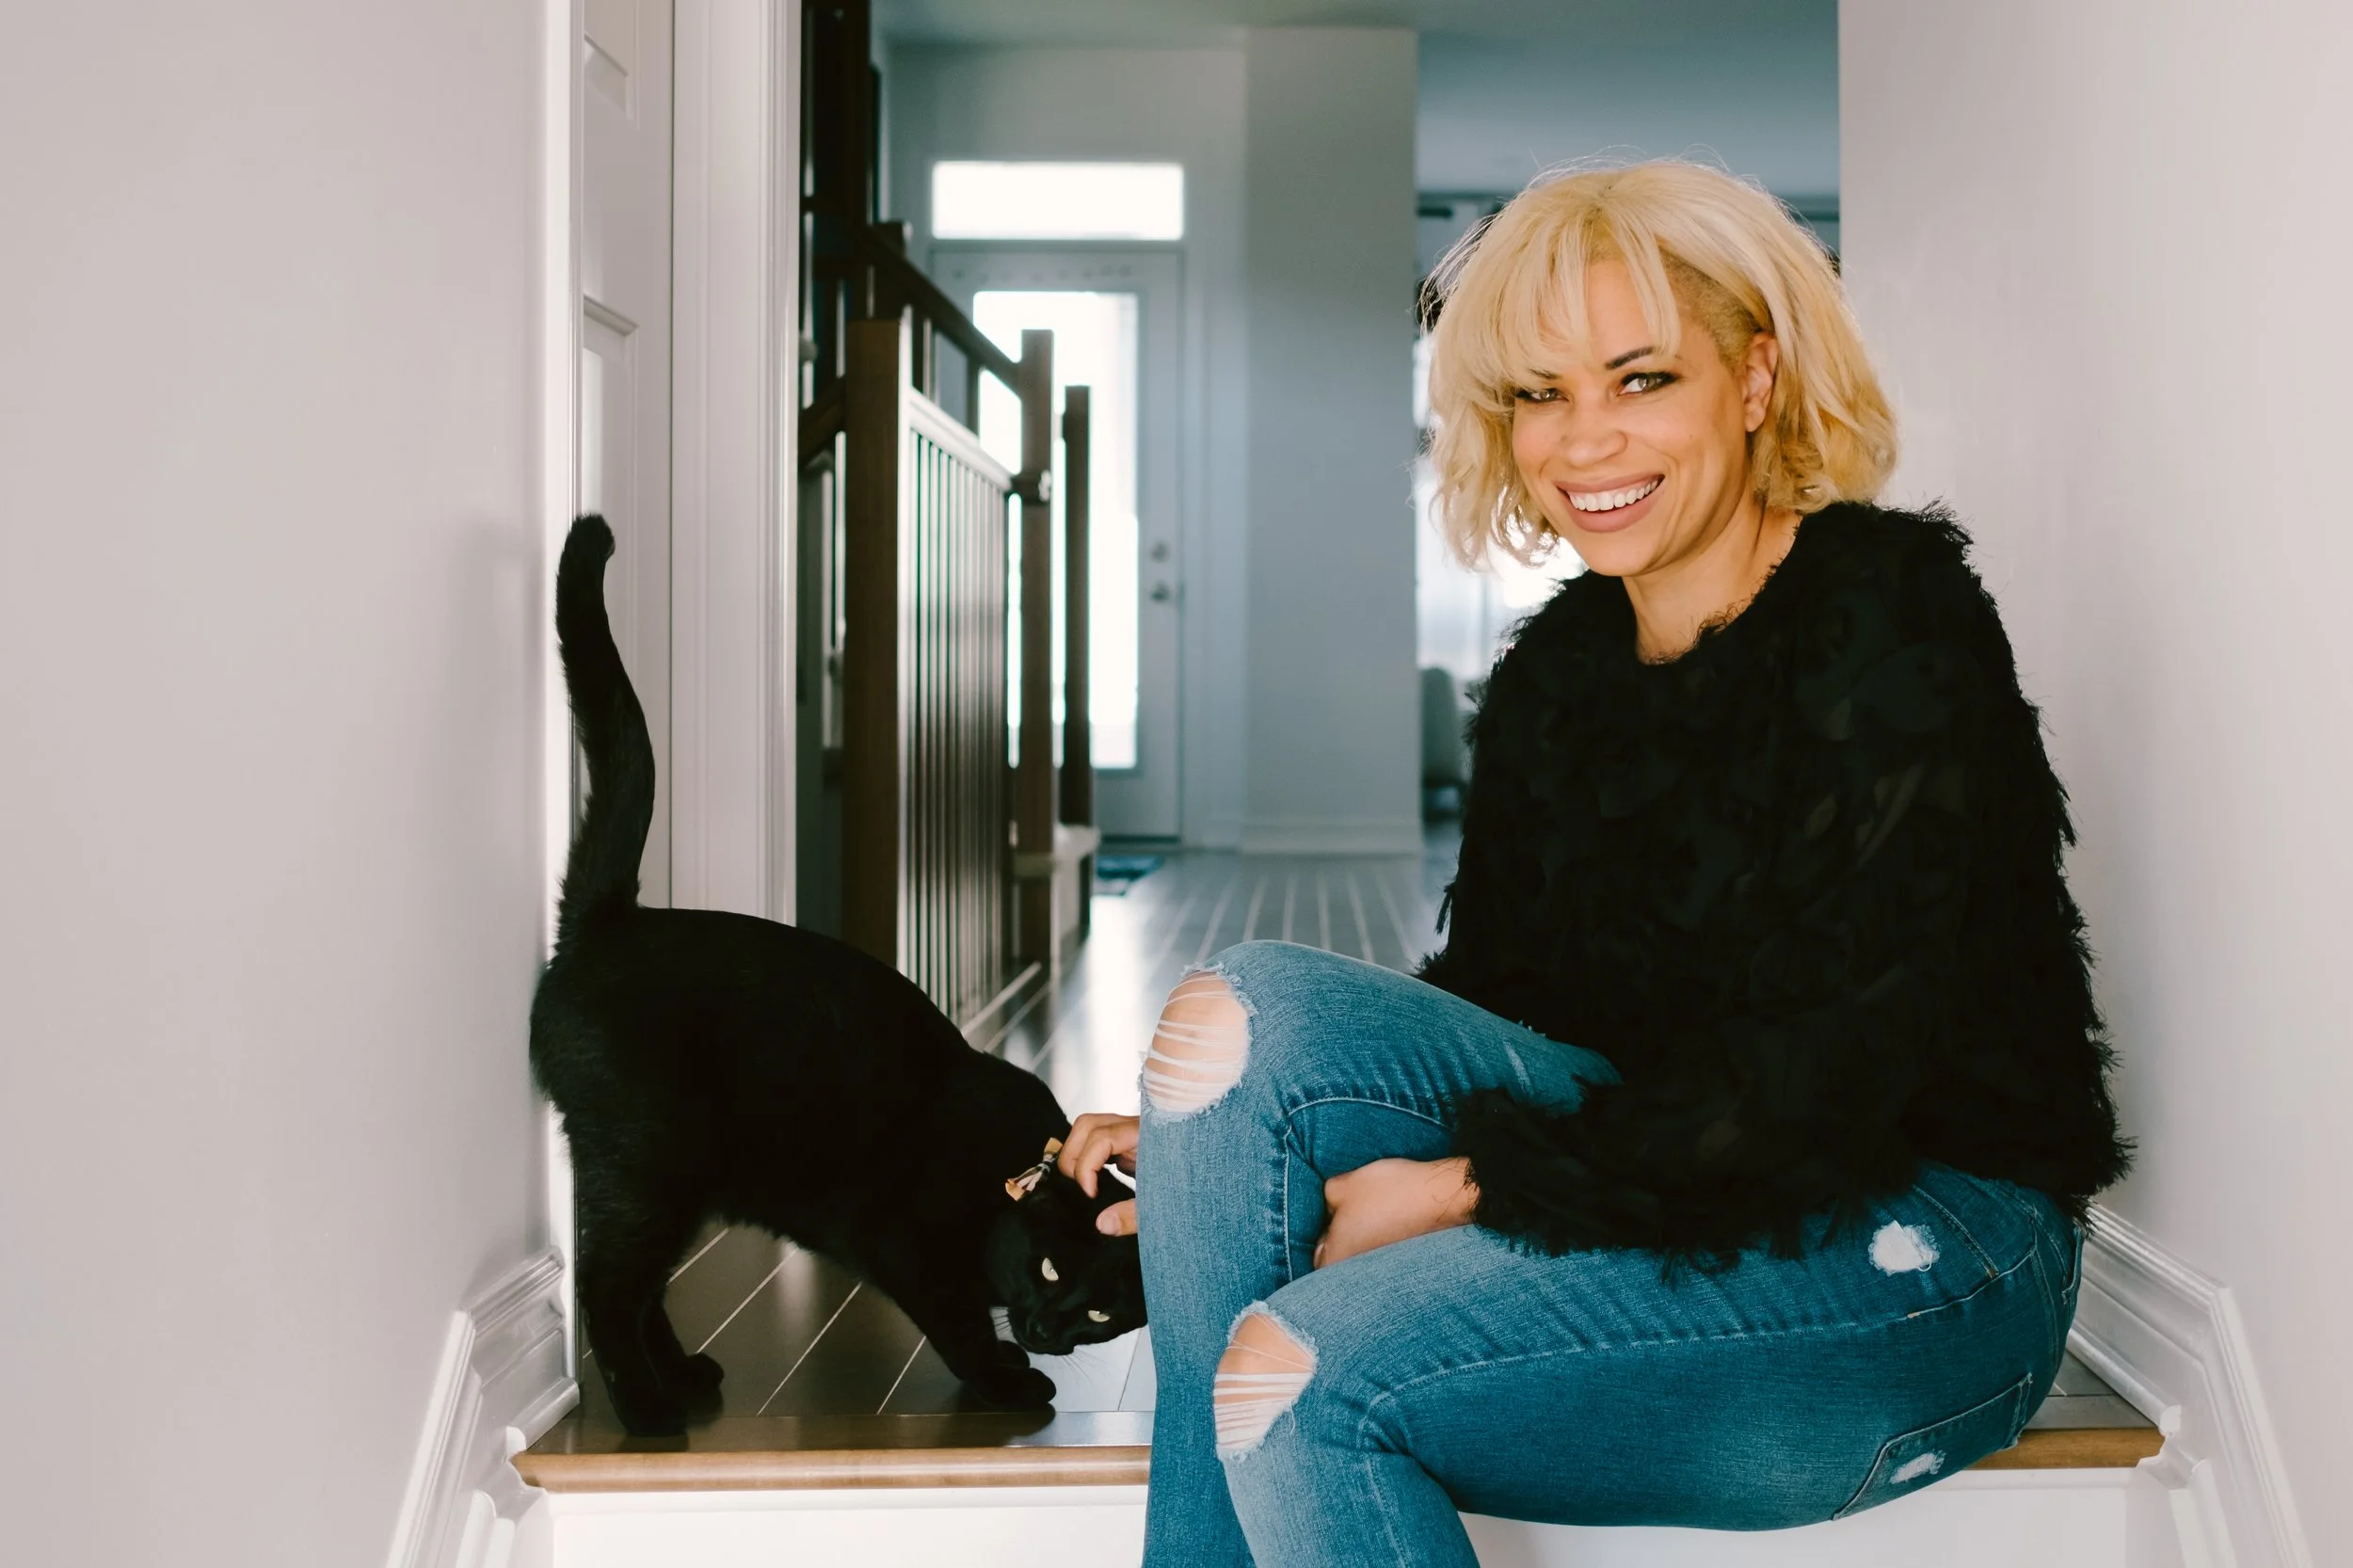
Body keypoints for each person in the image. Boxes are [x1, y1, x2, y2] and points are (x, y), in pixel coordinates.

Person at [1055, 159, 2130, 1568]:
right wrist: (1217, 1151)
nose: (1585, 443)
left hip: (1923, 1250)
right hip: (1672, 1158)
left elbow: (1833, 1067)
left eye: (1639, 379)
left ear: (1754, 380)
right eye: (1540, 394)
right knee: (1232, 1027)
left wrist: (1460, 1191)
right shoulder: (1562, 666)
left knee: (1299, 1376)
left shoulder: (1886, 618)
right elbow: (1501, 1017)